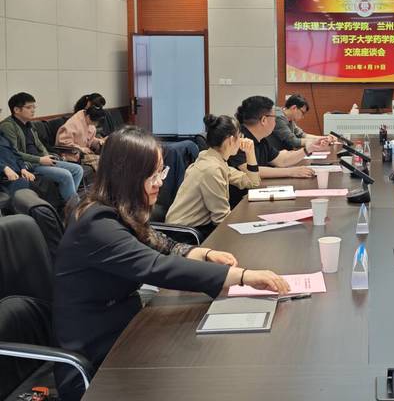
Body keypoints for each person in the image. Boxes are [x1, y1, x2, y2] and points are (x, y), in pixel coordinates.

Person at [53, 126, 289, 401]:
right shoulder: (97, 224)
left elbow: (162, 244)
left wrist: (203, 253)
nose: (159, 183)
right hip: (96, 353)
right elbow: (156, 267)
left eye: (161, 172)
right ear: (126, 175)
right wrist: (242, 276)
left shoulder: (118, 210)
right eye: (151, 175)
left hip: (125, 327)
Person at [165, 115, 261, 239]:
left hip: (197, 228)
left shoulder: (215, 160)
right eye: (240, 135)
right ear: (231, 140)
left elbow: (252, 183)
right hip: (185, 234)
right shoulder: (211, 169)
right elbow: (221, 219)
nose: (242, 139)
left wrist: (250, 152)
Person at [229, 96, 319, 206]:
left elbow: (282, 160)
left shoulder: (261, 139)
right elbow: (250, 171)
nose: (276, 121)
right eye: (274, 117)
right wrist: (292, 171)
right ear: (264, 120)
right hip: (239, 203)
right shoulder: (239, 139)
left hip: (254, 196)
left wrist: (308, 149)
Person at [0, 92, 83, 209]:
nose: (33, 110)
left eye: (34, 107)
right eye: (29, 107)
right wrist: (40, 160)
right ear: (16, 110)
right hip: (30, 163)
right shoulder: (8, 126)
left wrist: (47, 156)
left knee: (78, 170)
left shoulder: (29, 124)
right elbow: (14, 152)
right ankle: (74, 208)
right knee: (65, 175)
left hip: (41, 160)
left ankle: (66, 203)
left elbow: (39, 144)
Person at [267, 94, 332, 152]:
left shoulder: (289, 118)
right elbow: (294, 142)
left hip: (284, 154)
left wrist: (324, 138)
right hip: (275, 158)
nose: (303, 117)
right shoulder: (278, 117)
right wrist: (317, 141)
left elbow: (302, 135)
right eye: (302, 113)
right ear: (294, 108)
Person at [56, 103, 106, 170]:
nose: (95, 125)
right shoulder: (72, 124)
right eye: (95, 122)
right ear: (88, 116)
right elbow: (63, 142)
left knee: (107, 158)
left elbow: (88, 139)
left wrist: (98, 142)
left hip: (84, 153)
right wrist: (81, 149)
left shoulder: (88, 121)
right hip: (71, 155)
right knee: (101, 161)